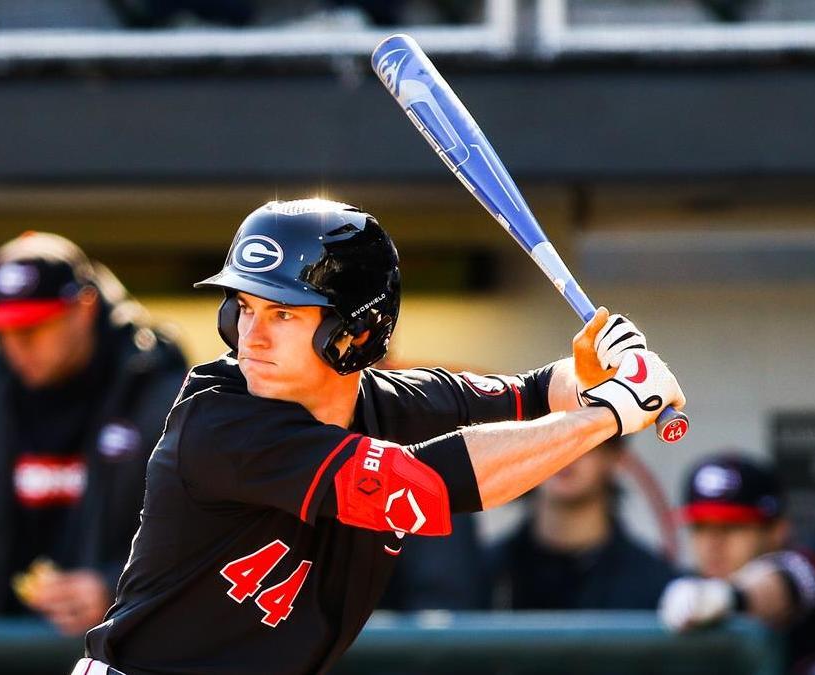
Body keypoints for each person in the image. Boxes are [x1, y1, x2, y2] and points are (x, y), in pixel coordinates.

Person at [72, 198, 685, 675]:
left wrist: (590, 372)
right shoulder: (222, 423)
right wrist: (610, 413)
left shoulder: (383, 403)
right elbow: (422, 488)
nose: (251, 336)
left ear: (356, 334)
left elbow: (527, 392)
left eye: (283, 313)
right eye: (244, 307)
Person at [0, 232, 187, 643]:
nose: (16, 345)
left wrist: (118, 588)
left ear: (83, 309)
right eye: (5, 330)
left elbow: (195, 537)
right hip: (6, 652)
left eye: (34, 327)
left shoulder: (158, 393)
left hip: (122, 654)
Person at [669, 453, 815, 674]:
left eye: (732, 527)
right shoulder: (673, 604)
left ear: (777, 531)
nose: (713, 544)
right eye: (701, 527)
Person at [486, 436, 677, 611]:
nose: (564, 451)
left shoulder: (656, 587)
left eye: (583, 437)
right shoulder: (482, 575)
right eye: (547, 434)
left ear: (614, 456)